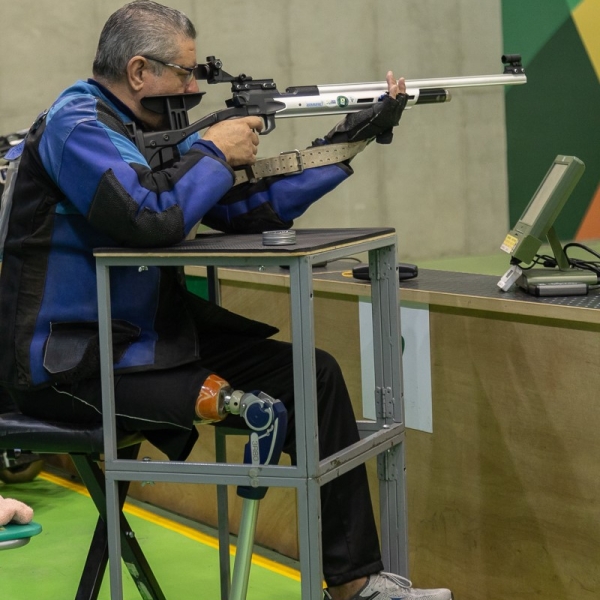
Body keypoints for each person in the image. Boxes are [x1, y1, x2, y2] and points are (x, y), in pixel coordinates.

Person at [0, 2, 453, 599]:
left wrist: (351, 139)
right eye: (184, 73)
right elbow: (150, 218)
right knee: (261, 405)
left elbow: (249, 210)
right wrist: (213, 150)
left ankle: (355, 585)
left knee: (312, 377)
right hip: (69, 364)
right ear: (138, 71)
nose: (194, 87)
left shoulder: (144, 131)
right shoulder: (77, 125)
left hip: (141, 341)